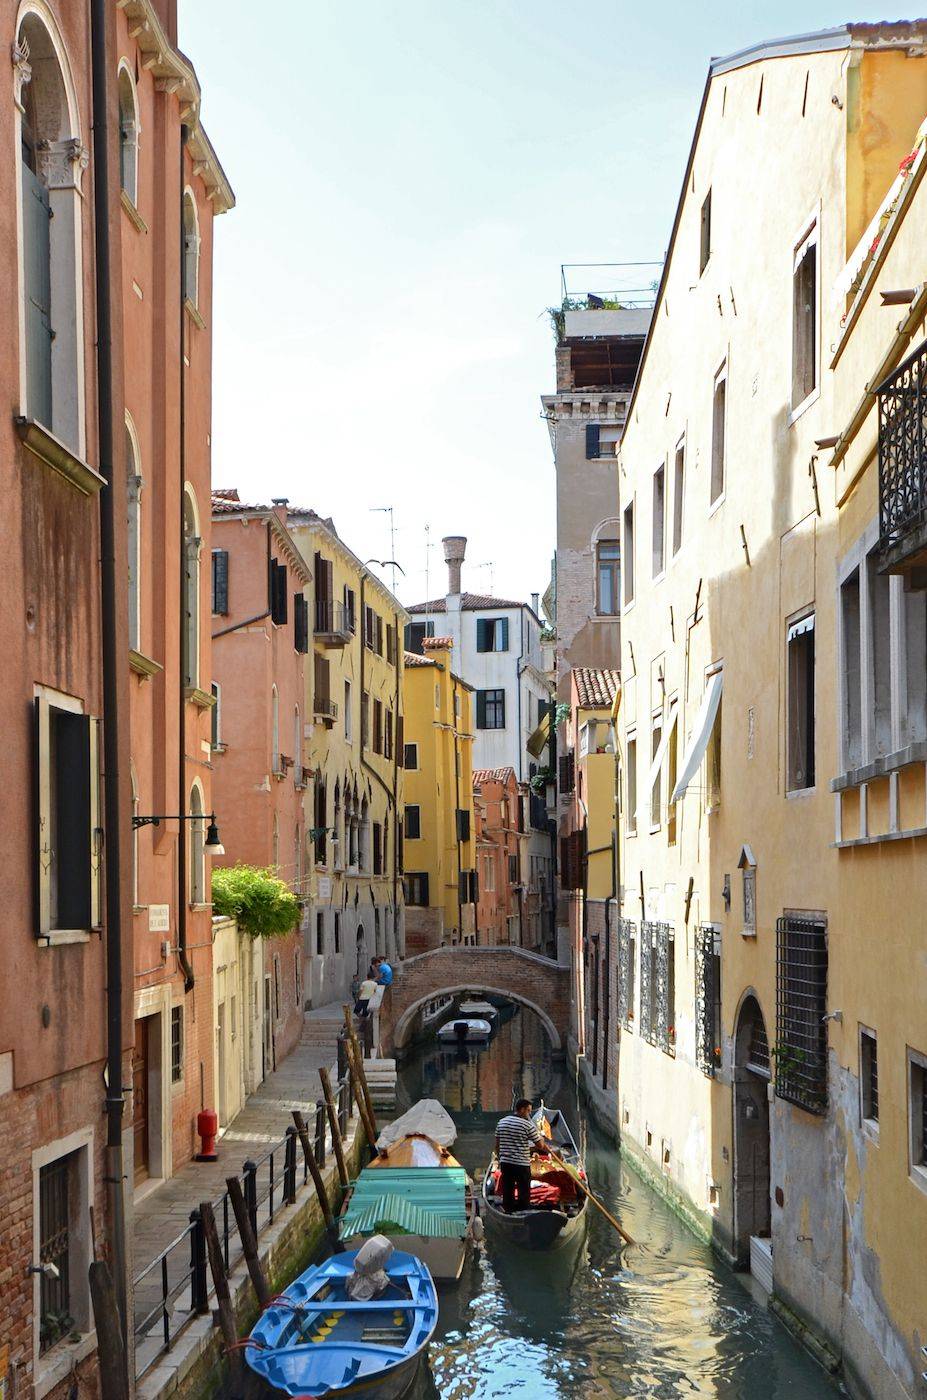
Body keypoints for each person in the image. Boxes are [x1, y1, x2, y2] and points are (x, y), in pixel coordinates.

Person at [494, 1099, 552, 1214]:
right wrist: (540, 1136)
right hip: (521, 1164)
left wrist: (500, 1159)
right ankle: (523, 1212)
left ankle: (509, 1211)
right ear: (522, 1110)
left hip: (506, 1163)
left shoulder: (502, 1122)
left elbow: (497, 1145)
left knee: (508, 1189)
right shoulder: (527, 1125)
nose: (529, 1114)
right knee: (523, 1190)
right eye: (528, 1111)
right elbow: (540, 1145)